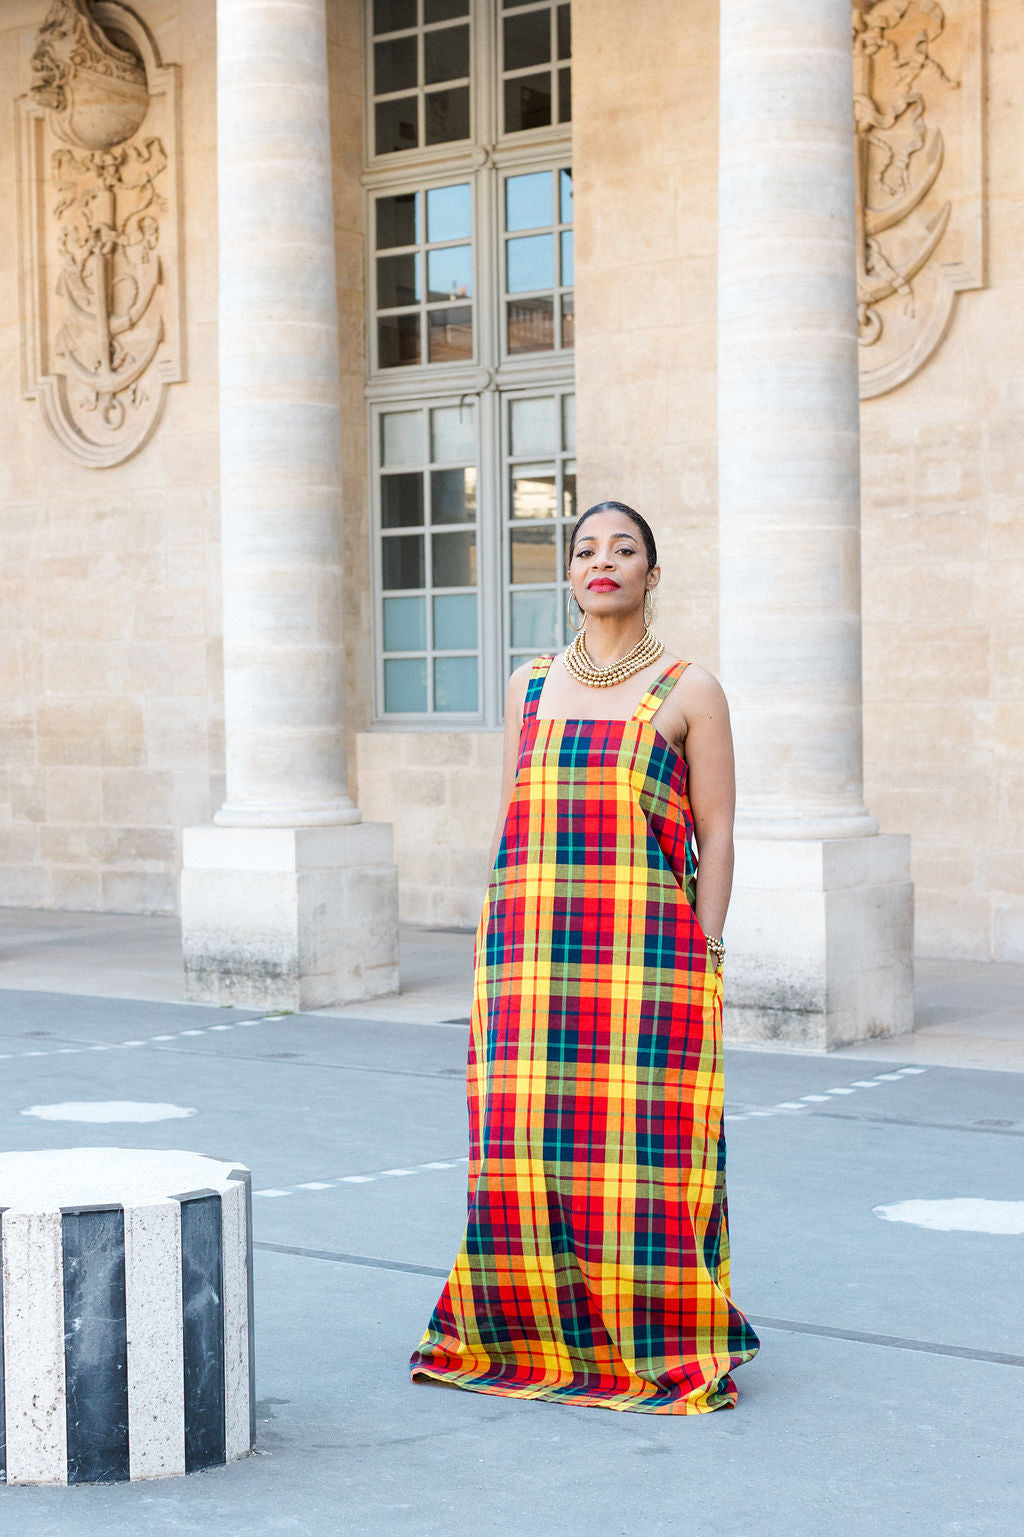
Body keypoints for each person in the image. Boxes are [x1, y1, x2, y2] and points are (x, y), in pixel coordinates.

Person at [410, 500, 759, 1412]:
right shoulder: (529, 685)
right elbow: (510, 820)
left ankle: (658, 1332)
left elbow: (718, 831)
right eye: (586, 550)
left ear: (652, 572)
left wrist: (707, 947)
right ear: (569, 574)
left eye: (624, 548)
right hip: (531, 959)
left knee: (643, 1157)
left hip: (647, 962)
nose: (603, 561)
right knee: (522, 1147)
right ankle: (521, 1332)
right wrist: (492, 938)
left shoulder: (690, 690)